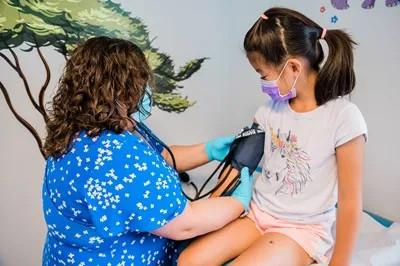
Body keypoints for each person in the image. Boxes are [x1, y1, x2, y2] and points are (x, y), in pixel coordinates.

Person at [41, 36, 254, 266]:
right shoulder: (112, 154)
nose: (144, 92)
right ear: (120, 90)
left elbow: (159, 158)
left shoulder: (87, 127)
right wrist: (239, 202)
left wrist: (210, 150)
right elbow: (185, 224)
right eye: (139, 85)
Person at [178, 7, 367, 266]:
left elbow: (350, 202)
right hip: (257, 215)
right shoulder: (268, 112)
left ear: (292, 67)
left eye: (263, 75)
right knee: (188, 261)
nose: (263, 84)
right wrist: (207, 212)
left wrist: (340, 263)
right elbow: (237, 169)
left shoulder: (344, 117)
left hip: (301, 230)